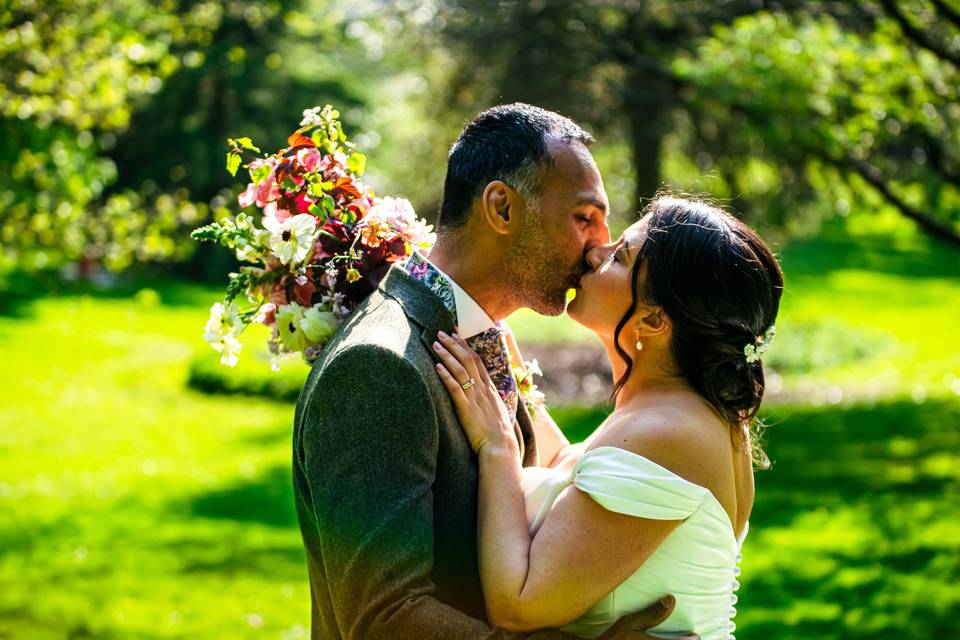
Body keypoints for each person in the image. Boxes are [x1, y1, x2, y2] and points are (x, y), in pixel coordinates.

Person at [292, 103, 694, 639]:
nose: (601, 244)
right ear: (501, 208)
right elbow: (383, 618)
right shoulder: (379, 366)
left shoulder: (479, 336)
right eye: (583, 217)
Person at [433, 195, 783, 639]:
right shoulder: (678, 414)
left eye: (620, 256)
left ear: (654, 320)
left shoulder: (668, 433)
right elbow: (565, 472)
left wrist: (497, 449)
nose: (596, 252)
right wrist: (500, 355)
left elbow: (519, 605)